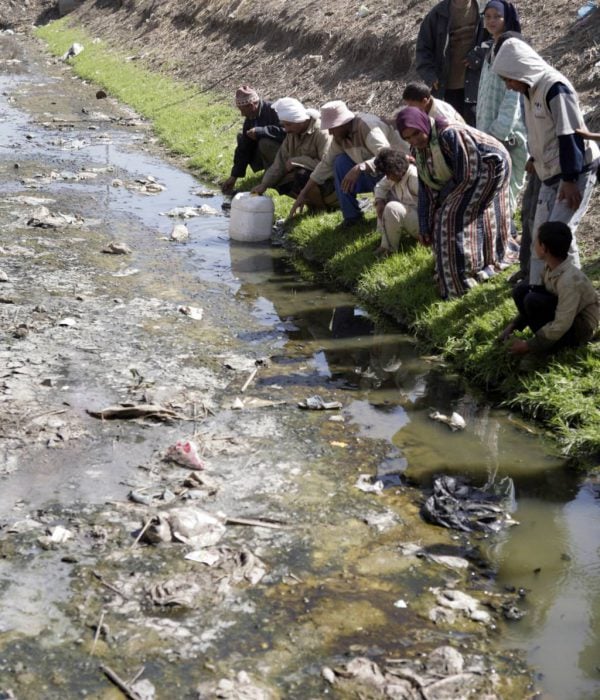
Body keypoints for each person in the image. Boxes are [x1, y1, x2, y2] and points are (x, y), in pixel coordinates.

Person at [492, 38, 600, 286]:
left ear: (521, 70)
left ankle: (570, 296)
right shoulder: (529, 89)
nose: (508, 86)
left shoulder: (555, 89)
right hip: (549, 172)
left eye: (509, 79)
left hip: (574, 171)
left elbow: (569, 134)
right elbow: (542, 130)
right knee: (540, 239)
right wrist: (534, 157)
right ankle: (538, 291)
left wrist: (570, 180)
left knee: (557, 238)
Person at [396, 106, 516, 298]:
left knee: (451, 217)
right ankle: (468, 264)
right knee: (444, 216)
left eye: (416, 133)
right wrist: (424, 226)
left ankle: (460, 279)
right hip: (466, 173)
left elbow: (467, 173)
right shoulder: (417, 150)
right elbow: (427, 188)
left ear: (423, 125)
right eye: (407, 138)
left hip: (489, 165)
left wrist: (447, 204)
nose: (414, 140)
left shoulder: (450, 135)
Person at [290, 100, 407, 227]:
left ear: (343, 123)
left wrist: (360, 168)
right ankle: (352, 217)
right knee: (340, 162)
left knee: (394, 214)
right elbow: (325, 165)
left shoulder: (367, 126)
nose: (330, 133)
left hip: (397, 173)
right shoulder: (339, 137)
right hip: (374, 174)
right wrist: (303, 193)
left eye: (332, 128)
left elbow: (387, 156)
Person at [500, 221, 599, 359]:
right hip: (566, 316)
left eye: (537, 241)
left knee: (532, 300)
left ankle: (548, 348)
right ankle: (544, 341)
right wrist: (514, 325)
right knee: (521, 290)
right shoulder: (549, 268)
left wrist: (529, 346)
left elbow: (562, 323)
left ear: (544, 248)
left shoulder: (570, 281)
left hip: (580, 328)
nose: (534, 244)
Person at [475, 3, 527, 212]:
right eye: (487, 16)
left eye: (497, 16)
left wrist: (499, 131)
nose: (491, 21)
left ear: (508, 19)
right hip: (488, 129)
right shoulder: (491, 48)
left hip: (508, 134)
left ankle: (509, 235)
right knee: (493, 187)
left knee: (507, 186)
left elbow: (513, 95)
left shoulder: (512, 48)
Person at [250, 97, 336, 210]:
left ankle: (321, 208)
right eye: (284, 125)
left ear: (299, 121)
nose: (286, 130)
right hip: (313, 180)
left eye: (288, 125)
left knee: (301, 174)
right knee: (278, 180)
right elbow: (279, 162)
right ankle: (312, 203)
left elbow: (327, 165)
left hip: (330, 183)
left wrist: (298, 161)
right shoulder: (292, 135)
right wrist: (264, 184)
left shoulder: (321, 132)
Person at [415, 0, 488, 126]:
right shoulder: (438, 14)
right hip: (449, 87)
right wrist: (430, 75)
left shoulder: (485, 10)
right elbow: (423, 49)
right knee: (454, 128)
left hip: (479, 85)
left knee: (477, 129)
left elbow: (496, 39)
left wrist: (479, 54)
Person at [220, 85, 286, 195]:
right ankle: (269, 171)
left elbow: (287, 132)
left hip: (286, 152)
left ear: (251, 105)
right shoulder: (250, 118)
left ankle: (277, 173)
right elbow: (244, 149)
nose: (242, 114)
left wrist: (262, 131)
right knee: (242, 139)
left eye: (243, 110)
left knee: (264, 142)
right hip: (269, 153)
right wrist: (234, 177)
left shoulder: (274, 110)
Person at [372, 148, 419, 255]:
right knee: (384, 200)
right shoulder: (396, 175)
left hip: (426, 224)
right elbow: (380, 186)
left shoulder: (414, 178)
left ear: (397, 168)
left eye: (388, 174)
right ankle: (385, 245)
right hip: (414, 216)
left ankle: (390, 250)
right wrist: (379, 202)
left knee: (392, 207)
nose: (387, 177)